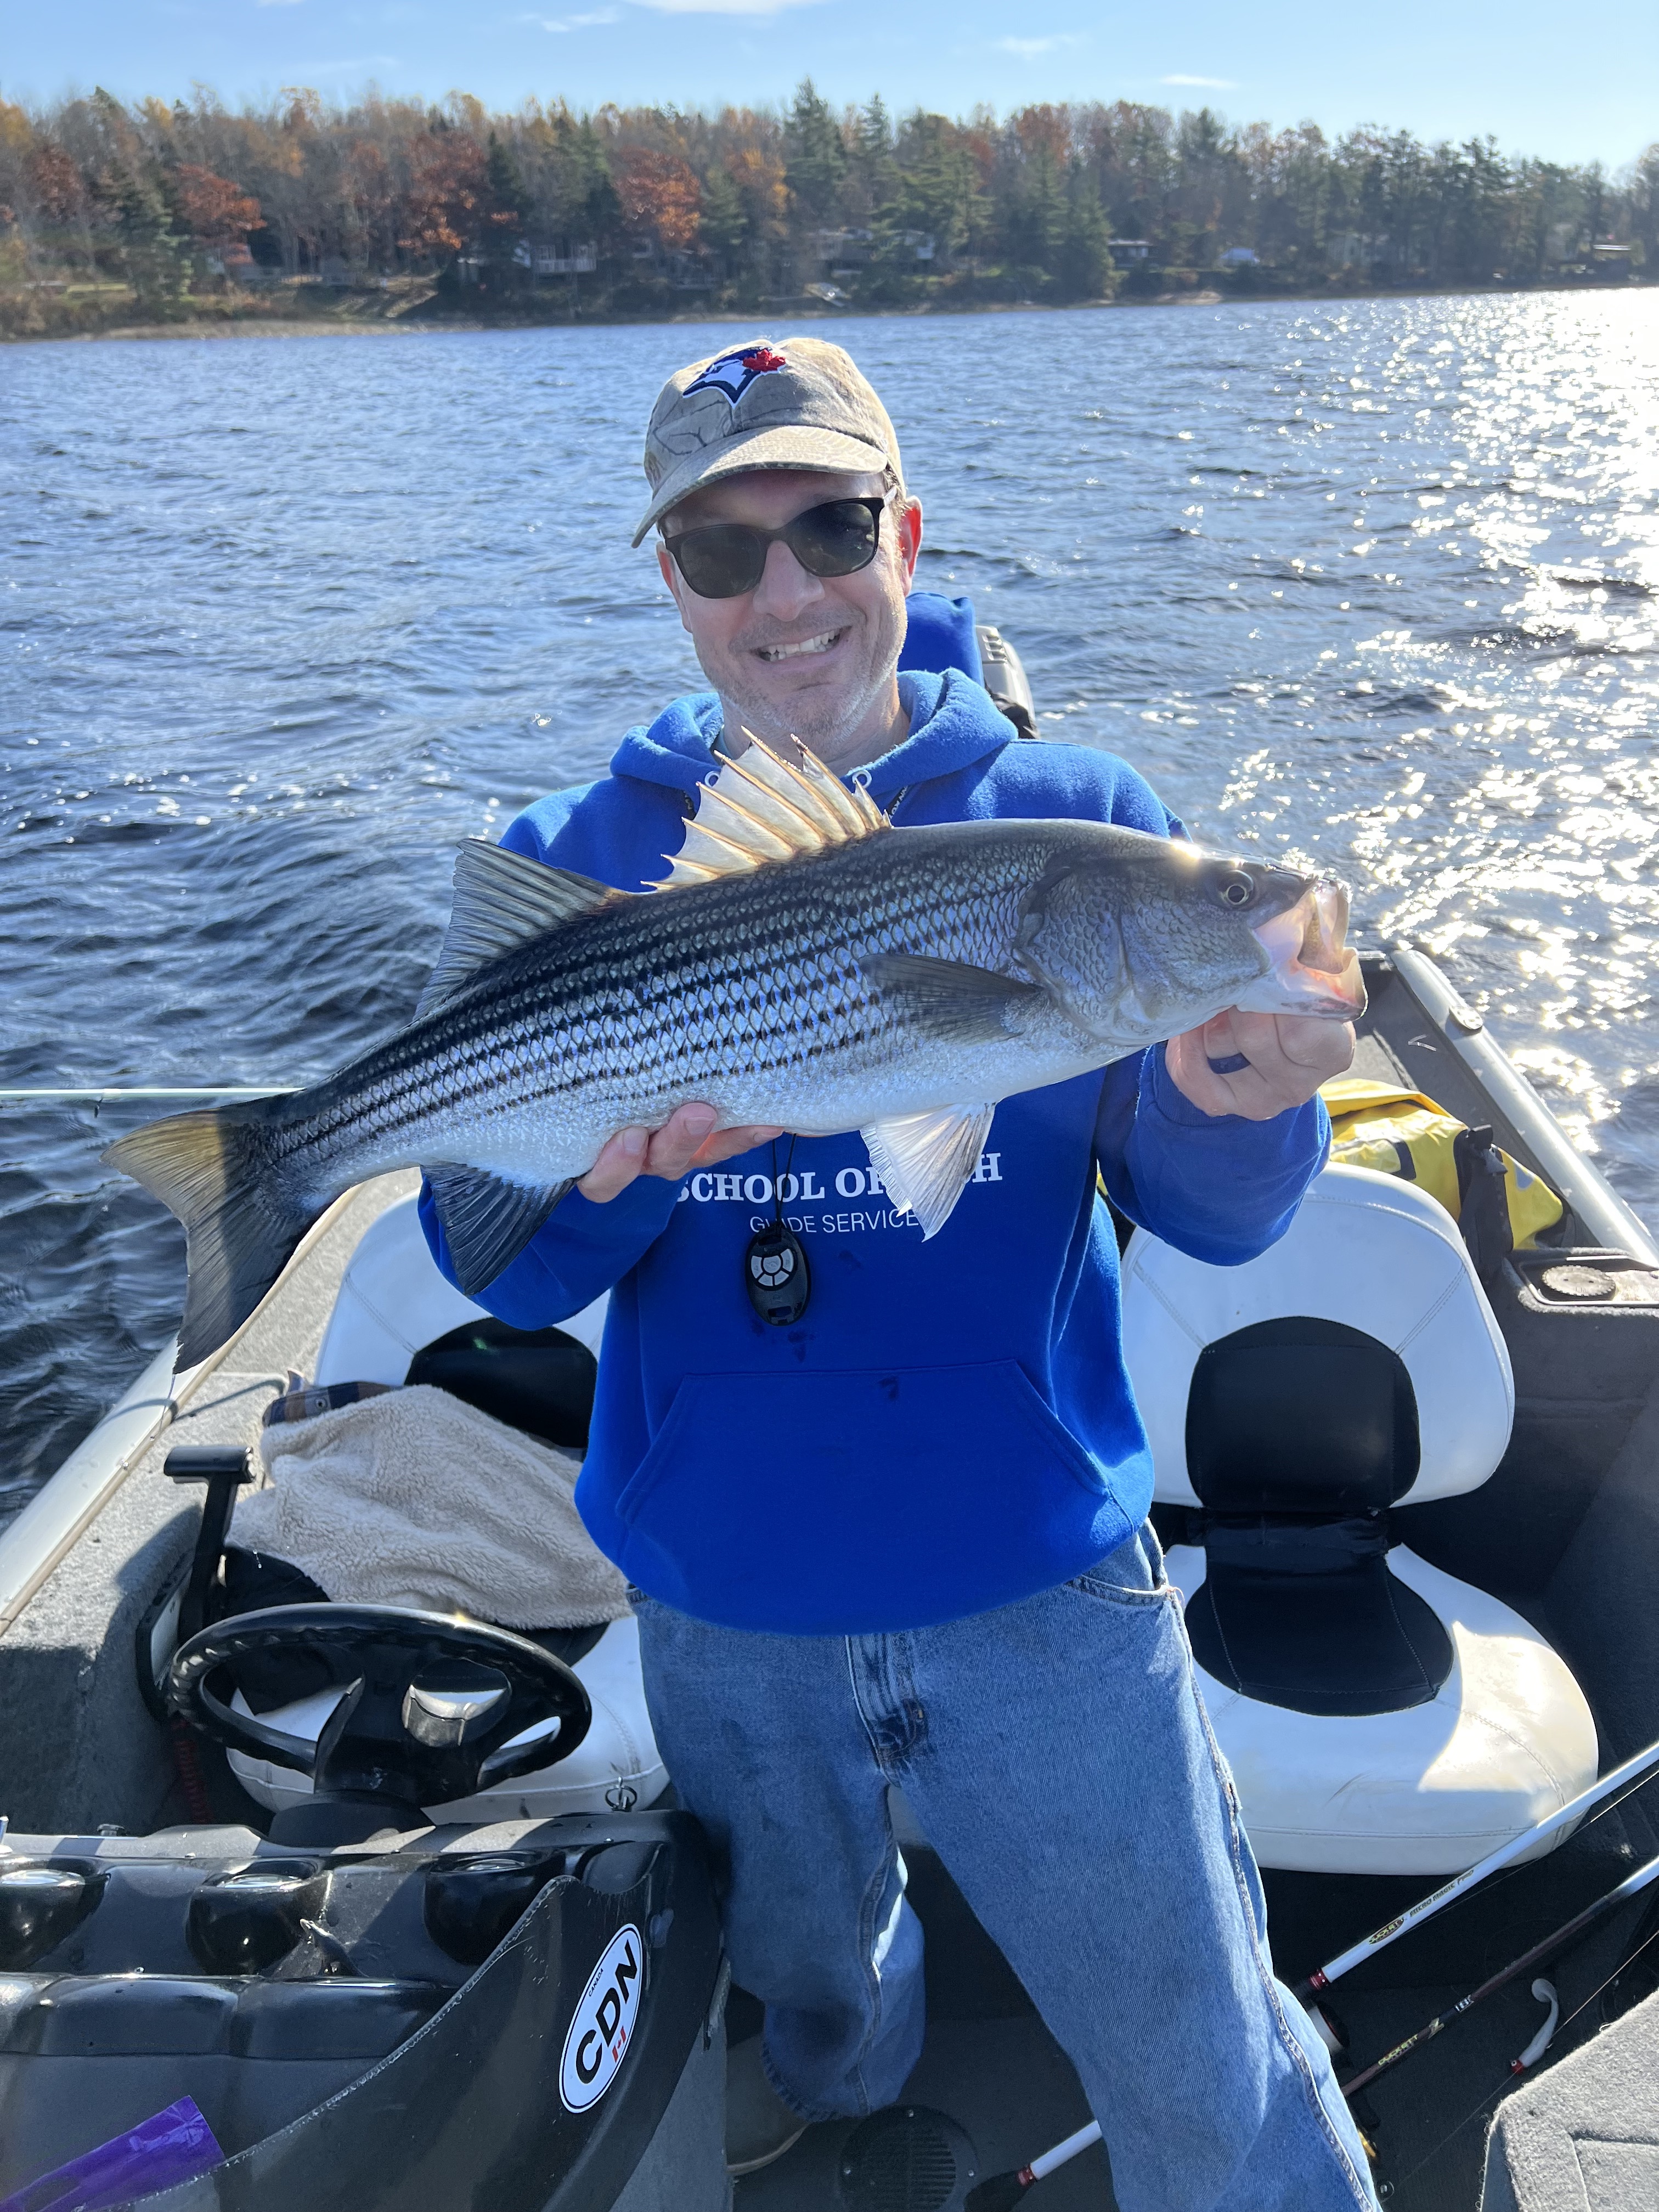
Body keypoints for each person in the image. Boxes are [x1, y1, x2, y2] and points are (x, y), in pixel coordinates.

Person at [420, 336, 1377, 2210]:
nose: (785, 593)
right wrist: (614, 1184)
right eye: (721, 549)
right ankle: (849, 2137)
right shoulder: (576, 861)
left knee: (1204, 2054)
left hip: (1039, 1582)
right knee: (808, 2001)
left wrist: (1241, 1093)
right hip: (721, 1589)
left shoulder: (1085, 818)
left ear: (908, 535)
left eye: (830, 524)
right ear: (672, 582)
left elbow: (1219, 1214)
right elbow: (505, 1273)